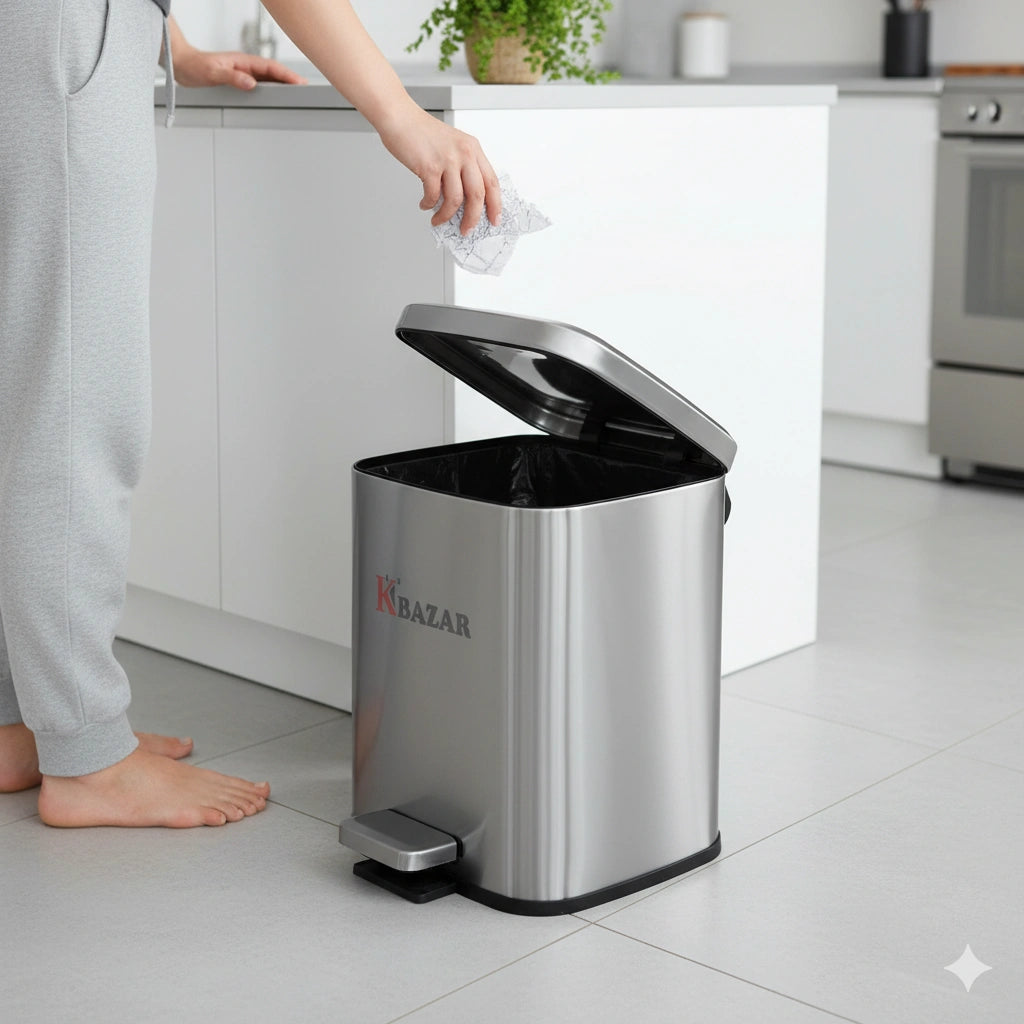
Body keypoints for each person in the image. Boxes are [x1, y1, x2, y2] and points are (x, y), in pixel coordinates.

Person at [0, 0, 501, 828]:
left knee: (31, 393)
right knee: (76, 404)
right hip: (59, 33)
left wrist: (172, 46)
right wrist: (402, 116)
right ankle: (87, 760)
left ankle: (22, 723)